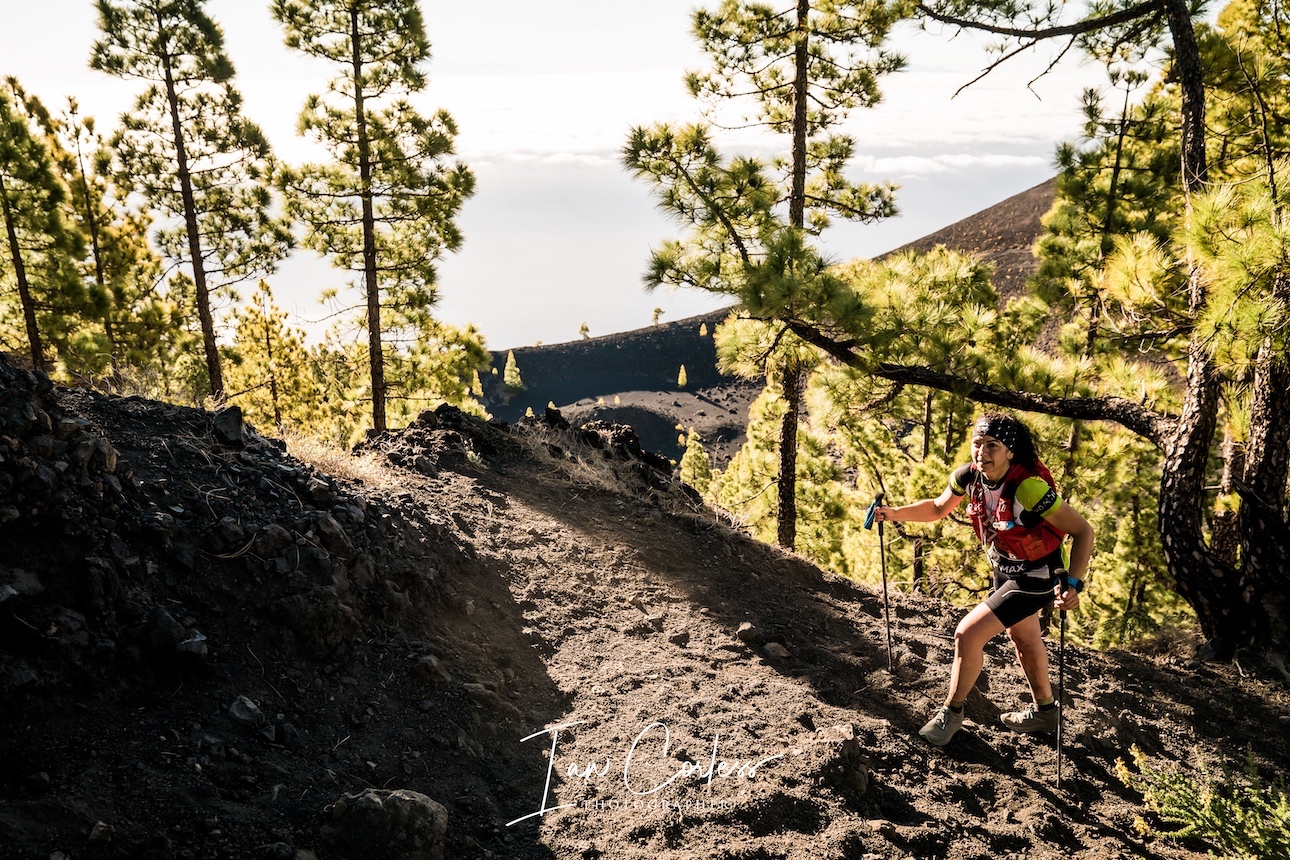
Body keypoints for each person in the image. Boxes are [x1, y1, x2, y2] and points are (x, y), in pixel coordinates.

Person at [873, 411, 1093, 746]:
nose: (982, 452)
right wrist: (894, 514)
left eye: (993, 445)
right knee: (1024, 639)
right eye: (978, 443)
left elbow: (1083, 531)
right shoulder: (969, 477)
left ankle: (951, 714)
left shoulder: (1029, 489)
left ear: (1011, 452)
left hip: (1037, 576)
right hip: (1005, 569)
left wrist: (1074, 584)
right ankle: (1045, 712)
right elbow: (937, 508)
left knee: (967, 634)